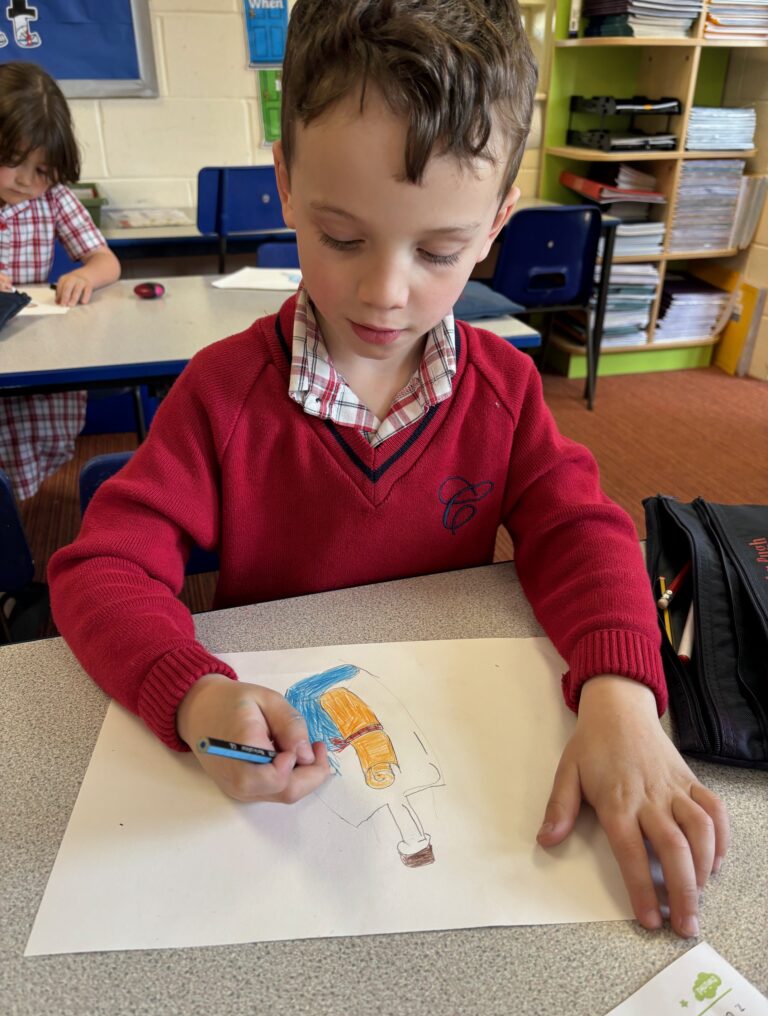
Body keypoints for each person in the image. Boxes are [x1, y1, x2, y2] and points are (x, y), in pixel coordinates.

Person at [48, 0, 728, 939]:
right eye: (342, 237)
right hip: (293, 804)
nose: (385, 291)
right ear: (284, 183)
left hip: (458, 763)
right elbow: (103, 568)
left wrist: (621, 689)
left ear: (494, 225)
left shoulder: (502, 388)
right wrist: (192, 688)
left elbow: (582, 531)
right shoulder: (224, 395)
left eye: (439, 250)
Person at [0, 62, 121, 501]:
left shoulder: (53, 199)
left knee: (40, 436)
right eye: (13, 163)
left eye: (43, 169)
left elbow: (106, 260)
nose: (28, 182)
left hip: (32, 351)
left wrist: (86, 273)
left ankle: (24, 506)